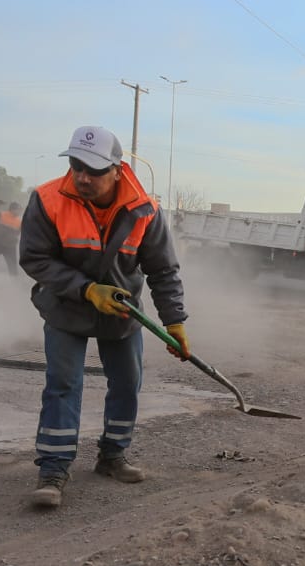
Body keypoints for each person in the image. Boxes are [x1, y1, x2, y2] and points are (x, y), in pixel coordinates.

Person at [18, 126, 191, 508]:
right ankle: (53, 470)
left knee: (128, 382)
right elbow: (34, 258)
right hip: (66, 306)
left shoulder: (144, 210)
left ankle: (112, 456)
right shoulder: (47, 200)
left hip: (120, 309)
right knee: (64, 383)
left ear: (116, 169)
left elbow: (163, 270)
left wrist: (174, 321)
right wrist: (85, 289)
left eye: (94, 170)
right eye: (76, 166)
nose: (83, 177)